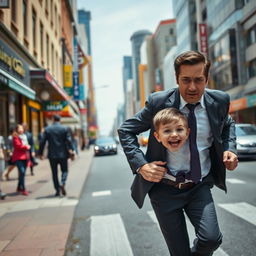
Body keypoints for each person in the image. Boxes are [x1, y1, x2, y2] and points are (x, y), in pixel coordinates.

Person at [118, 50, 238, 256]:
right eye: (186, 80)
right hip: (164, 189)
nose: (192, 87)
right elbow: (126, 130)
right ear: (176, 79)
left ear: (207, 79)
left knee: (211, 239)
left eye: (199, 80)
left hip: (198, 186)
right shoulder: (158, 102)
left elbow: (228, 124)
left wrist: (229, 148)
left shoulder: (219, 101)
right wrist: (141, 165)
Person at [38, 114, 74, 197]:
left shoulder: (48, 129)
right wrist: (72, 150)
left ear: (53, 119)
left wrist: (40, 153)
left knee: (54, 173)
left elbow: (42, 142)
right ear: (59, 120)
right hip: (63, 154)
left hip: (52, 155)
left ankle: (57, 190)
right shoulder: (64, 129)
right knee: (64, 170)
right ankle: (63, 182)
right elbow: (68, 140)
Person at [12, 124, 31, 196]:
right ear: (17, 129)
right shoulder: (15, 137)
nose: (21, 130)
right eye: (19, 128)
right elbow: (18, 146)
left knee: (22, 174)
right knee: (22, 172)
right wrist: (26, 147)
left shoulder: (25, 136)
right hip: (18, 157)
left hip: (25, 157)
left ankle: (19, 187)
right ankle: (23, 189)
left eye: (22, 128)